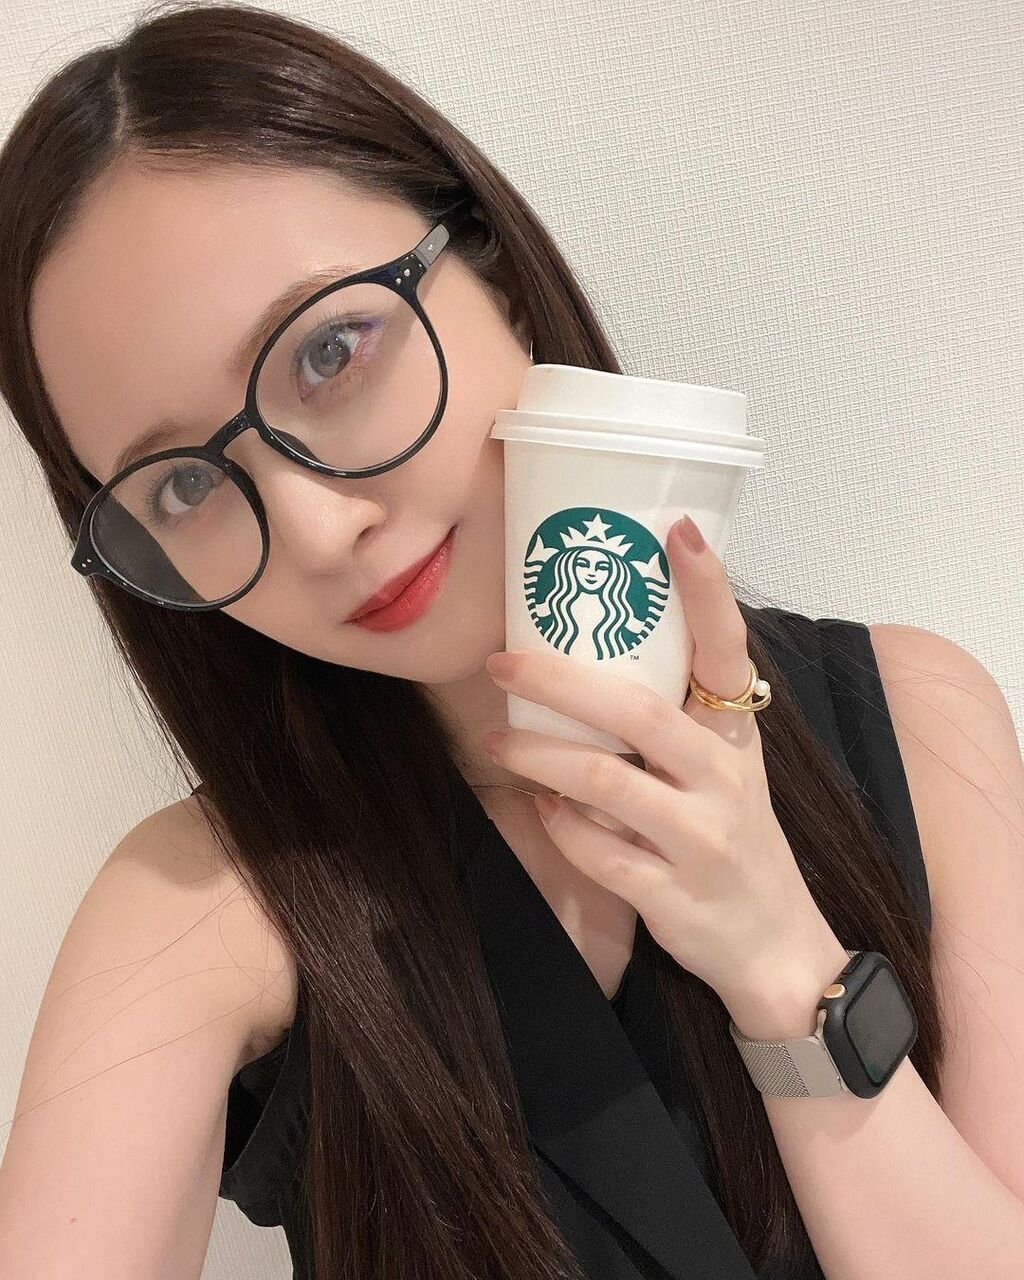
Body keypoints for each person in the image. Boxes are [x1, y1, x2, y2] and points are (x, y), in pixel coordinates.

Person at [1, 7, 1021, 1280]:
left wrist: (778, 965)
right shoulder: (210, 904)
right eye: (184, 486)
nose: (317, 529)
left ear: (502, 281)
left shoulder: (917, 720)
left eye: (330, 352)